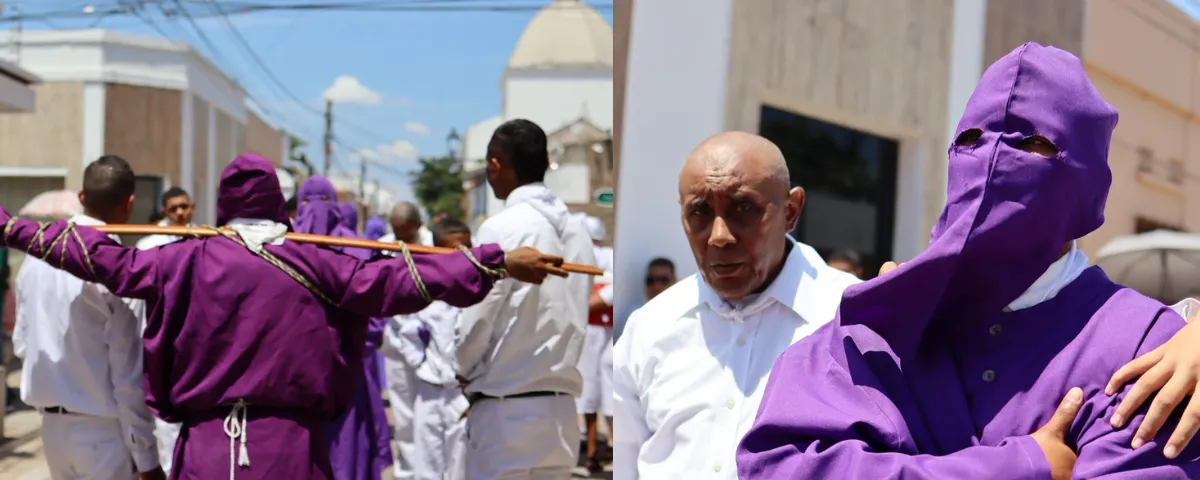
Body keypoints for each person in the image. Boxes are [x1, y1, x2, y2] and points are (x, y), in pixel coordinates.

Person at [736, 43, 1200, 479]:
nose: (995, 158)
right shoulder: (874, 328)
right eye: (973, 139)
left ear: (1088, 183)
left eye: (1033, 146)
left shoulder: (1151, 351)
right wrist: (1021, 466)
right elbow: (779, 465)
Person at [0, 153, 569, 480]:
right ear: (278, 201)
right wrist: (493, 262)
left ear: (223, 203)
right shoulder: (315, 260)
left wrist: (11, 227)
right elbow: (407, 280)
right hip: (289, 451)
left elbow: (90, 253)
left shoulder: (178, 260)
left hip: (203, 450)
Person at [611, 131, 859, 479]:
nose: (719, 236)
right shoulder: (649, 327)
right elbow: (626, 464)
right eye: (699, 211)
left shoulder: (851, 319)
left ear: (791, 211)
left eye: (743, 208)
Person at [457, 118, 596, 478]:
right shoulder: (578, 230)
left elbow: (476, 321)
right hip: (561, 416)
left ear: (495, 164)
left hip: (505, 414)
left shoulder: (502, 226)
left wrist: (461, 369)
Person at [12, 155, 166, 480]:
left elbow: (22, 345)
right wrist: (147, 459)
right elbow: (128, 375)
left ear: (82, 198)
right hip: (102, 435)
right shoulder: (121, 268)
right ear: (130, 203)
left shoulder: (34, 261)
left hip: (53, 431)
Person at [293, 177, 391, 480]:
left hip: (298, 379)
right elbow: (376, 320)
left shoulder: (285, 248)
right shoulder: (357, 248)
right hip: (346, 375)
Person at [383, 217, 475, 480]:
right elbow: (406, 330)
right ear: (436, 250)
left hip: (465, 395)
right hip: (429, 391)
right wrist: (421, 366)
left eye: (468, 248)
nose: (463, 256)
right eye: (455, 250)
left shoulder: (480, 289)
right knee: (428, 466)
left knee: (463, 466)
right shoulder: (423, 287)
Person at [378, 201, 428, 480]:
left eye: (405, 234)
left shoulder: (435, 243)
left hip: (429, 345)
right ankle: (408, 472)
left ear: (418, 227)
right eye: (396, 232)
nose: (400, 240)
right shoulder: (381, 246)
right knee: (404, 413)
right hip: (396, 342)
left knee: (431, 413)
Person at [577, 213, 614, 472]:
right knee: (589, 388)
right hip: (590, 327)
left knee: (610, 386)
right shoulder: (581, 252)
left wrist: (589, 303)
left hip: (606, 325)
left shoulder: (603, 254)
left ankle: (608, 444)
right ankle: (592, 447)